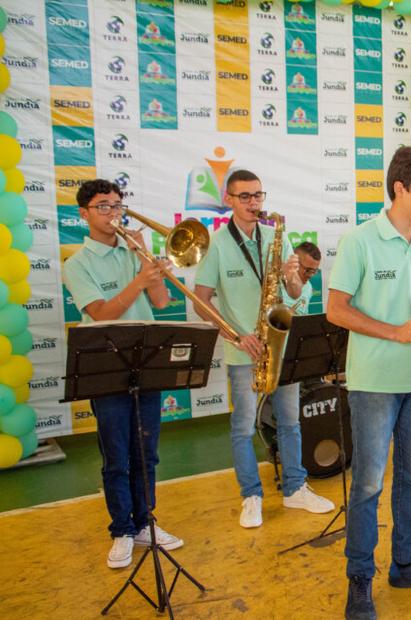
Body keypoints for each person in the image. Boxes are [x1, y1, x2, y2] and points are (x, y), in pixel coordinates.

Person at [327, 147, 411, 620]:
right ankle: (360, 577)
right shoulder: (361, 240)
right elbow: (335, 309)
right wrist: (396, 332)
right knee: (366, 483)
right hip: (374, 381)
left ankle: (406, 562)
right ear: (399, 188)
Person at [194, 170, 334, 529]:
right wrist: (236, 336)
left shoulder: (277, 236)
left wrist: (291, 276)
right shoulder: (216, 244)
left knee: (290, 422)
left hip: (281, 345)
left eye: (258, 196)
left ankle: (295, 488)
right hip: (245, 349)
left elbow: (294, 293)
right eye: (245, 197)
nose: (254, 203)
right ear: (228, 199)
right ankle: (251, 496)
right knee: (243, 427)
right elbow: (201, 302)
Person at [62, 179, 179, 568]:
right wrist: (138, 280)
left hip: (145, 361)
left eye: (117, 206)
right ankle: (122, 530)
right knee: (116, 456)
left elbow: (161, 303)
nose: (113, 214)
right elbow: (101, 313)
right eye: (103, 207)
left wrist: (149, 262)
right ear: (84, 214)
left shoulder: (133, 252)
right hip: (107, 364)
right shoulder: (77, 264)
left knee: (147, 452)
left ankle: (145, 522)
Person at [292, 240, 321, 311]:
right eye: (307, 270)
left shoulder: (308, 287)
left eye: (314, 271)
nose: (310, 275)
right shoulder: (275, 284)